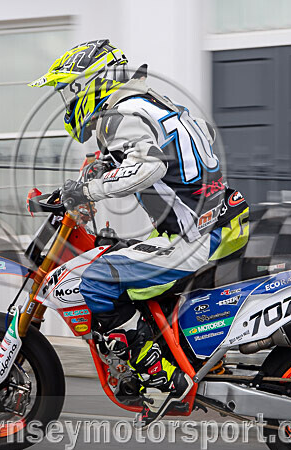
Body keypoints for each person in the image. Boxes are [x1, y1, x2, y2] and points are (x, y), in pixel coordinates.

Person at [30, 39, 249, 425]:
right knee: (122, 256)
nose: (67, 102)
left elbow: (148, 169)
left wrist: (86, 190)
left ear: (88, 84)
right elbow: (198, 141)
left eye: (69, 90)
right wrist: (95, 175)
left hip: (194, 238)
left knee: (97, 279)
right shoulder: (151, 103)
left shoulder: (120, 115)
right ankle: (167, 352)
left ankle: (157, 376)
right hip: (222, 220)